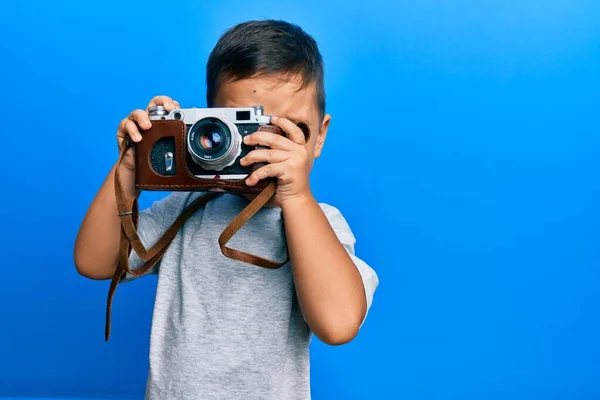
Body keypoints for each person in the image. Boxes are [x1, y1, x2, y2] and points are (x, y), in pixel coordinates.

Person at [74, 19, 379, 400]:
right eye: (244, 128)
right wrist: (130, 167)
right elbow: (95, 262)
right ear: (207, 128)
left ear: (319, 136)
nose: (264, 147)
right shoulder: (186, 209)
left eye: (288, 132)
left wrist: (297, 199)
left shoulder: (323, 223)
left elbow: (337, 325)